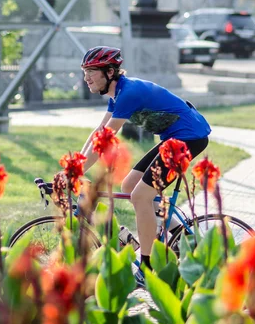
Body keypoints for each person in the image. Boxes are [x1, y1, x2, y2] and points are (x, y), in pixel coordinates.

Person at [79, 46, 211, 271]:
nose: (86, 77)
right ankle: (180, 236)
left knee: (141, 195)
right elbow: (98, 132)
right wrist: (77, 166)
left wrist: (76, 171)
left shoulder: (128, 93)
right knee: (130, 185)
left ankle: (147, 266)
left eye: (92, 71)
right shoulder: (118, 94)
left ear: (110, 72)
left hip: (189, 138)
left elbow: (106, 139)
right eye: (85, 71)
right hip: (175, 138)